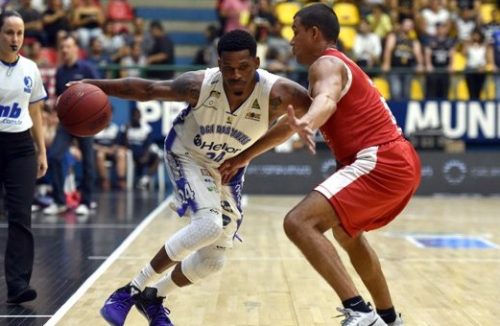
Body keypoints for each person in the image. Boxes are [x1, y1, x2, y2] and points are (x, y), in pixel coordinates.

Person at [71, 29, 311, 325]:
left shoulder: (279, 94)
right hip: (188, 154)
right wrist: (92, 84)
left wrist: (246, 156)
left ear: (257, 63)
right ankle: (129, 291)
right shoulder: (199, 85)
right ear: (218, 63)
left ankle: (152, 297)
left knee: (214, 259)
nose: (235, 75)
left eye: (244, 68)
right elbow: (146, 89)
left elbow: (298, 120)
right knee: (208, 225)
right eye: (228, 68)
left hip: (229, 165)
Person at [220, 4, 420, 326]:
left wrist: (310, 123)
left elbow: (326, 100)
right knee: (347, 234)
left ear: (314, 33)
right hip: (396, 161)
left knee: (298, 222)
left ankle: (358, 311)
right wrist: (245, 156)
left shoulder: (325, 64)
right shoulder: (333, 68)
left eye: (295, 31)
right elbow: (289, 126)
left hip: (380, 160)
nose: (291, 40)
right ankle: (389, 318)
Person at [0, 10, 47, 304]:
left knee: (21, 216)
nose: (15, 38)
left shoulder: (31, 68)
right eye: (9, 32)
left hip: (21, 147)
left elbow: (35, 111)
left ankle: (17, 285)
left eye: (19, 33)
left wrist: (41, 150)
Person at [43, 34, 99, 216]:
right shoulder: (60, 72)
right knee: (54, 156)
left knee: (88, 161)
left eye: (68, 46)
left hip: (86, 123)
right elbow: (61, 97)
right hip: (67, 123)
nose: (65, 50)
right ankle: (60, 201)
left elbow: (101, 92)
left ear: (76, 49)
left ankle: (87, 201)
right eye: (62, 47)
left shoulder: (88, 69)